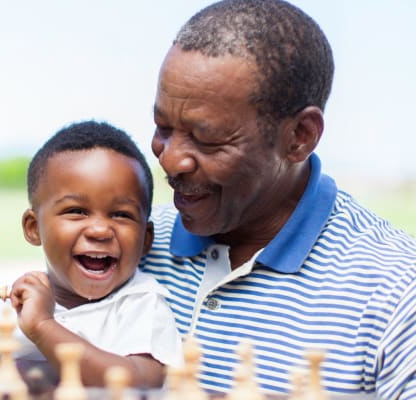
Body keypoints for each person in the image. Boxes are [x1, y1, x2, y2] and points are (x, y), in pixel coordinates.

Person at [138, 0, 416, 399]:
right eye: (163, 127)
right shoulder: (133, 245)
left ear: (300, 136)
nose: (171, 159)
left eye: (207, 138)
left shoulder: (396, 293)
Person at [0, 120, 183, 389]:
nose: (99, 230)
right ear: (33, 228)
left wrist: (43, 326)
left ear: (146, 239)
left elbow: (142, 381)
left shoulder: (141, 303)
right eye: (76, 211)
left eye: (121, 215)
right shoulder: (6, 308)